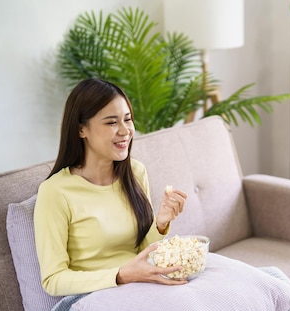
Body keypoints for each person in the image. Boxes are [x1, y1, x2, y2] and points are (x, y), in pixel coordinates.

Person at [34, 78, 188, 296]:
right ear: (81, 130)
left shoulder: (135, 172)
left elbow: (141, 253)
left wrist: (160, 223)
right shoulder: (55, 192)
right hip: (95, 298)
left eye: (128, 119)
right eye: (111, 122)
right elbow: (53, 280)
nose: (125, 131)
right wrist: (120, 275)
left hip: (141, 285)